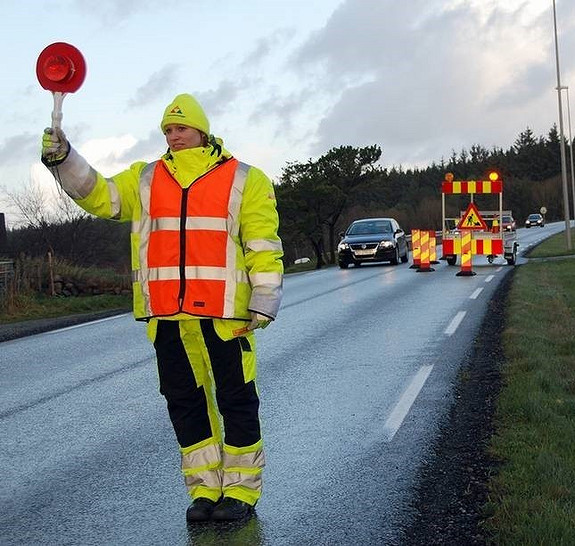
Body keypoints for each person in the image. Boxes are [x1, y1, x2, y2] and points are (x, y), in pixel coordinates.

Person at [41, 93, 284, 522]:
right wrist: (65, 159)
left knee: (236, 401)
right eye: (168, 130)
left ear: (202, 131)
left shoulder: (246, 178)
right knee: (185, 404)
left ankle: (242, 493)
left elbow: (262, 244)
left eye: (181, 128)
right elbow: (100, 195)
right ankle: (205, 491)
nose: (174, 136)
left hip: (226, 316)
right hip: (168, 317)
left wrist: (264, 298)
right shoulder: (146, 178)